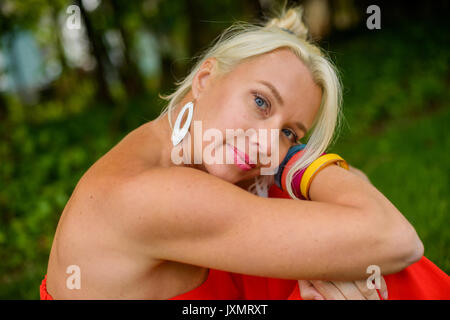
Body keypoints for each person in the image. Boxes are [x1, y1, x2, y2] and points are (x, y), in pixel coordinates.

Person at [40, 5, 426, 300]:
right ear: (205, 79)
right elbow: (396, 238)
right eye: (261, 102)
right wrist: (296, 163)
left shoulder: (178, 153)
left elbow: (361, 188)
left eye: (291, 134)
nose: (267, 146)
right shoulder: (157, 194)